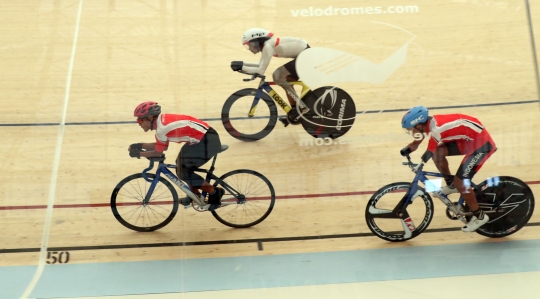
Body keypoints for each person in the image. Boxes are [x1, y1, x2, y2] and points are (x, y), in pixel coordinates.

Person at [400, 106, 497, 232]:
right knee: (438, 154)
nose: (410, 132)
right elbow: (418, 141)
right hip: (469, 139)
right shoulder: (428, 124)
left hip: (482, 144)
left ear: (419, 125)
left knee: (461, 182)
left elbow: (430, 150)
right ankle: (452, 185)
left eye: (410, 129)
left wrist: (420, 164)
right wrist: (408, 149)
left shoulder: (437, 129)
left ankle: (480, 216)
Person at [128, 101, 224, 211]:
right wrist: (139, 146)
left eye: (140, 120)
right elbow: (161, 146)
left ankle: (215, 192)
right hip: (202, 138)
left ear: (150, 118)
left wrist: (138, 153)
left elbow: (158, 152)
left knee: (184, 171)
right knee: (181, 166)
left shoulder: (162, 129)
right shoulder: (161, 123)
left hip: (208, 141)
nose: (138, 123)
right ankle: (195, 195)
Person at [230, 28, 310, 126]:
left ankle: (302, 107)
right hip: (305, 54)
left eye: (249, 45)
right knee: (286, 79)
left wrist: (242, 67)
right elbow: (260, 64)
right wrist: (243, 63)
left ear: (256, 41)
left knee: (278, 75)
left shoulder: (268, 46)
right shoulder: (267, 45)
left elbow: (260, 70)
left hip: (306, 55)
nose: (249, 48)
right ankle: (295, 111)